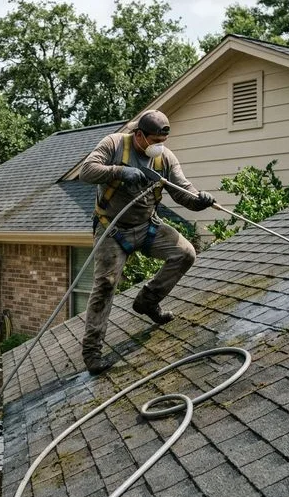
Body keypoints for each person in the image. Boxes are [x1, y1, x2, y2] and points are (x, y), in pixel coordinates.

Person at [79, 110, 216, 375]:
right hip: (112, 229)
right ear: (139, 135)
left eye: (162, 141)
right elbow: (87, 171)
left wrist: (200, 200)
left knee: (185, 253)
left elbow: (183, 192)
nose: (158, 146)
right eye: (154, 141)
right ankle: (92, 351)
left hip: (147, 226)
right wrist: (120, 172)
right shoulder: (115, 144)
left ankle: (147, 301)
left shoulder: (165, 158)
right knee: (105, 285)